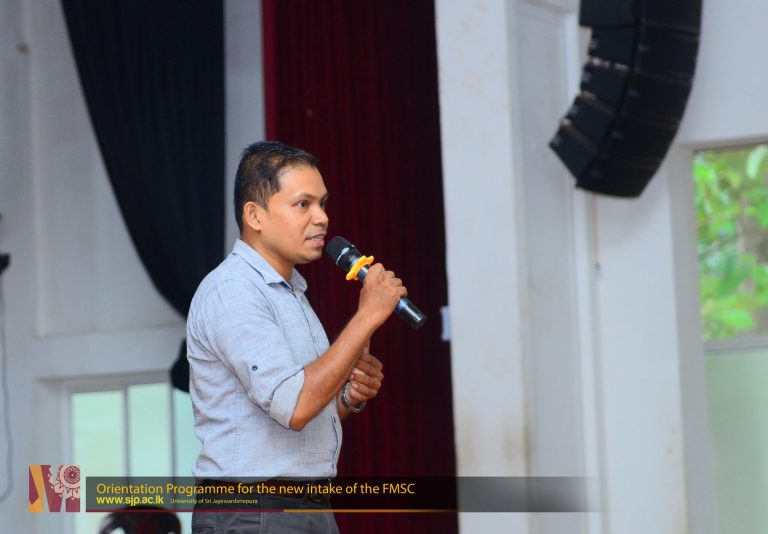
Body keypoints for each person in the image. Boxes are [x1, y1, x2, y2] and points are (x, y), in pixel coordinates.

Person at [187, 141, 407, 533]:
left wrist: (346, 397)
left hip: (302, 504)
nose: (322, 218)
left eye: (322, 204)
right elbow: (295, 407)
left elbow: (304, 410)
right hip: (254, 508)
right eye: (303, 204)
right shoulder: (233, 291)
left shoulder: (290, 292)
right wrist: (367, 316)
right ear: (254, 215)